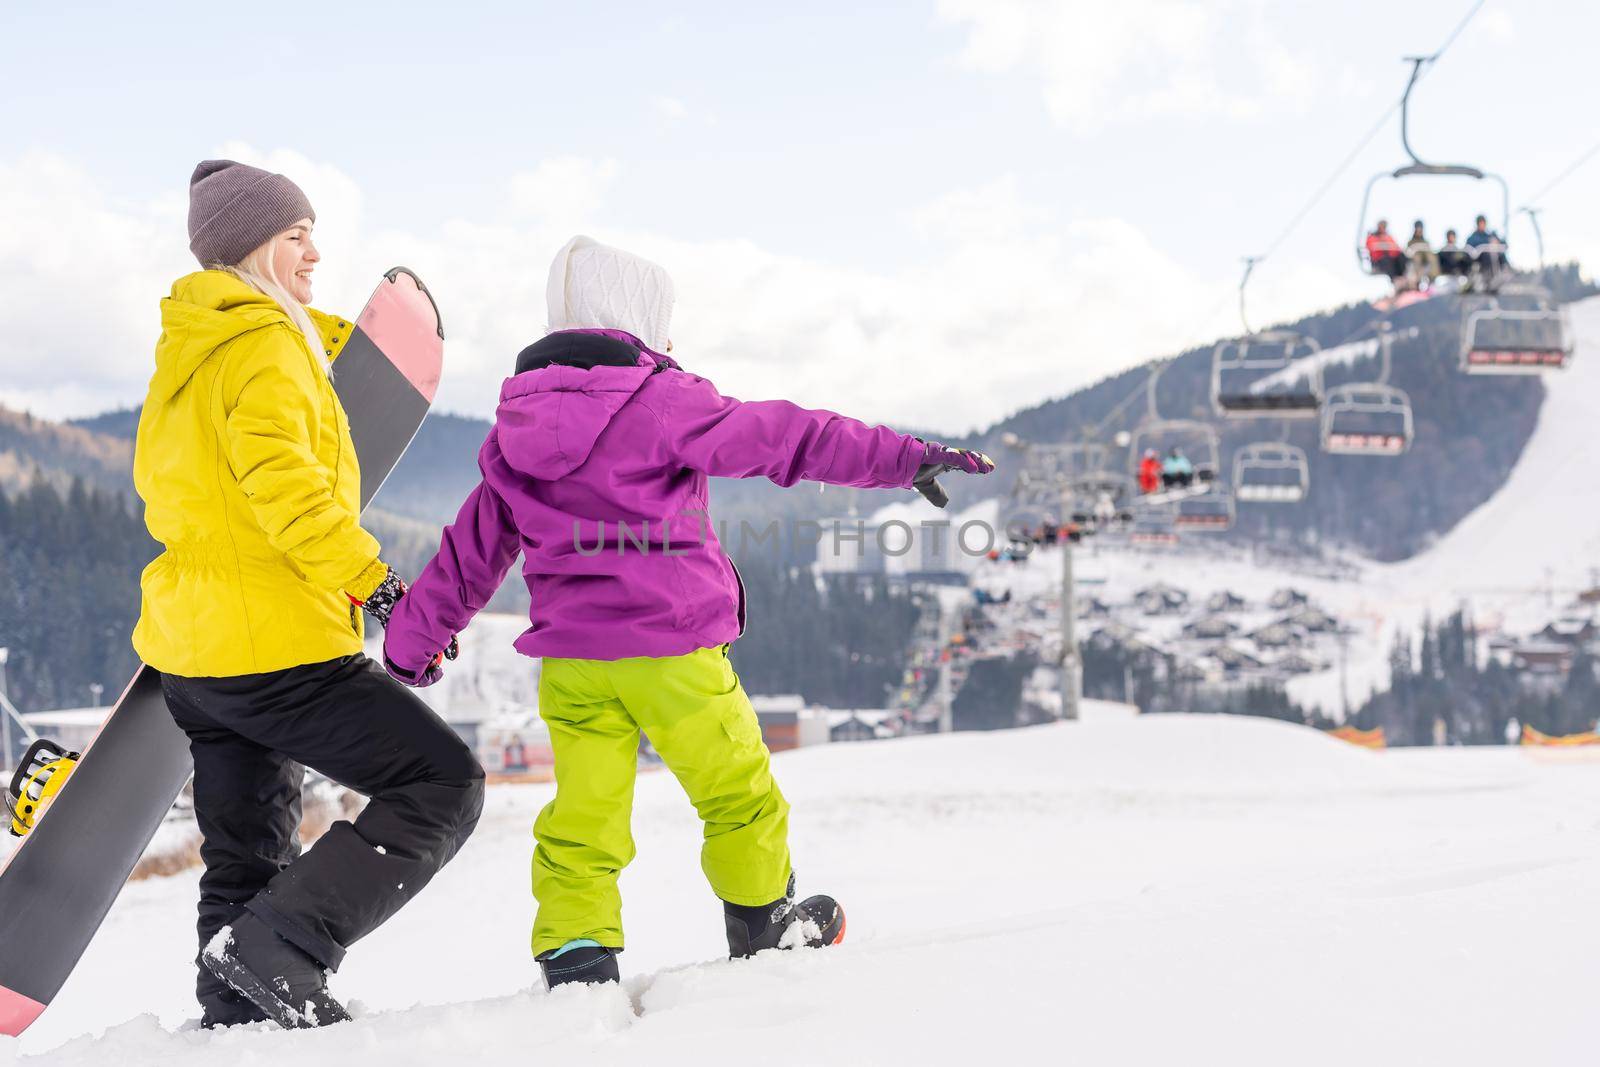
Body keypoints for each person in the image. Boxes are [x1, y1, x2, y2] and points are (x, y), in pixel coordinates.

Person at [381, 236, 994, 989]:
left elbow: (469, 553)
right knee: (738, 789)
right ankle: (763, 918)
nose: (667, 341)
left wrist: (411, 644)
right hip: (673, 650)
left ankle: (577, 954)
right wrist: (902, 457)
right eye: (658, 323)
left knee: (584, 815)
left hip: (575, 666)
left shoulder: (515, 430)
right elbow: (788, 437)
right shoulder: (661, 399)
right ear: (631, 320)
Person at [131, 160, 485, 1030]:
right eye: (295, 236)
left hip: (196, 660)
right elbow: (293, 500)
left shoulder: (197, 347)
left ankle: (237, 1009)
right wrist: (387, 592)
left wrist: (323, 339)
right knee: (443, 782)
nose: (314, 251)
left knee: (247, 847)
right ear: (252, 245)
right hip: (276, 650)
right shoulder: (262, 354)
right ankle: (281, 949)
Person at [1364, 219, 1408, 288]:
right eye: (1382, 226)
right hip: (1379, 260)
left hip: (1391, 258)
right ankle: (1395, 280)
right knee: (1386, 260)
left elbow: (1395, 247)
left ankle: (1404, 277)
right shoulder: (1372, 237)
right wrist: (1382, 246)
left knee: (1401, 257)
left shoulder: (1388, 237)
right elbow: (1371, 247)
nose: (1383, 228)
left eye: (1384, 226)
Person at [1466, 214, 1508, 282]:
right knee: (1487, 254)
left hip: (1495, 259)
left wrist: (1497, 242)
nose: (1482, 225)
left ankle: (1505, 270)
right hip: (1481, 260)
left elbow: (1504, 244)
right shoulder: (1472, 238)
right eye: (1480, 223)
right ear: (1477, 224)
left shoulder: (1490, 235)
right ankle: (1488, 277)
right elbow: (1470, 250)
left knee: (1500, 254)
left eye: (1483, 223)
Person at [1405, 220, 1438, 290]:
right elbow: (1408, 253)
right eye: (1418, 229)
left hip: (1425, 264)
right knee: (1417, 257)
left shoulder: (1426, 242)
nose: (1419, 231)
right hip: (1415, 266)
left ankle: (1432, 280)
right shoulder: (1411, 242)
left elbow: (1429, 254)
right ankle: (1416, 283)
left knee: (1431, 257)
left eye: (1420, 229)